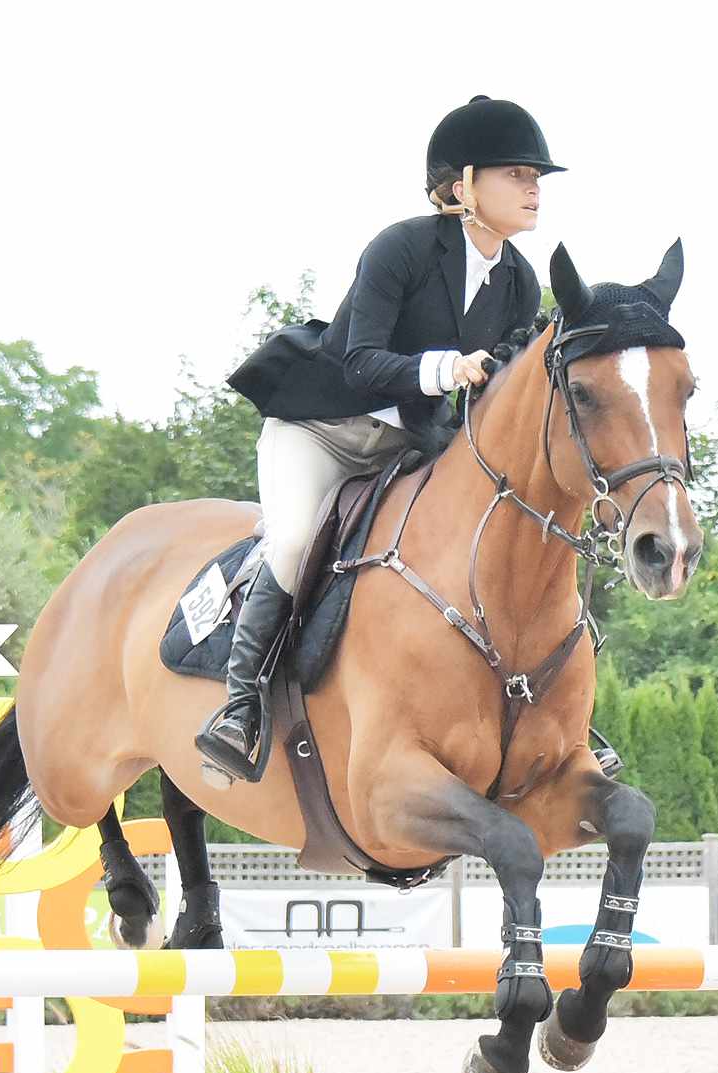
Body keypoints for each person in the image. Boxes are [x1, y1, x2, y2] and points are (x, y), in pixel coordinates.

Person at [196, 95, 564, 783]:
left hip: (407, 448)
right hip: (323, 428)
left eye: (535, 175)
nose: (534, 186)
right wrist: (449, 367)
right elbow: (360, 361)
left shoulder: (519, 281)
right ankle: (239, 707)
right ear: (463, 187)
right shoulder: (402, 247)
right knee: (296, 539)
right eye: (515, 173)